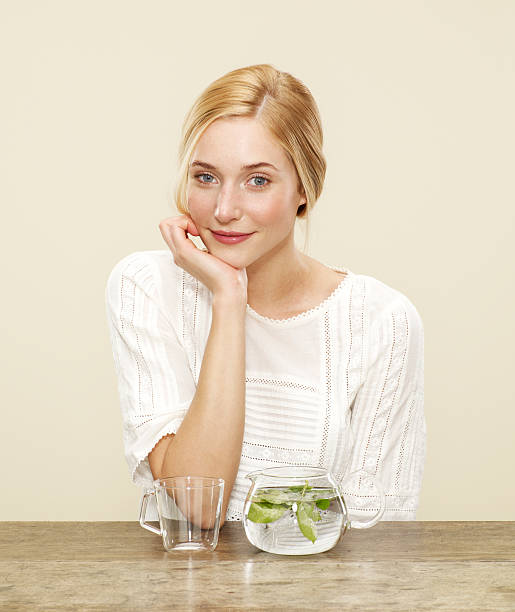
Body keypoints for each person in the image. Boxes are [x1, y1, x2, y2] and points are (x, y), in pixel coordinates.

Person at [105, 63, 426, 526]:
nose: (224, 209)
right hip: (187, 596)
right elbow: (199, 507)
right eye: (206, 177)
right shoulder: (146, 287)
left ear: (303, 190)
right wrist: (229, 300)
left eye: (257, 180)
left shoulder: (382, 321)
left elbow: (378, 536)